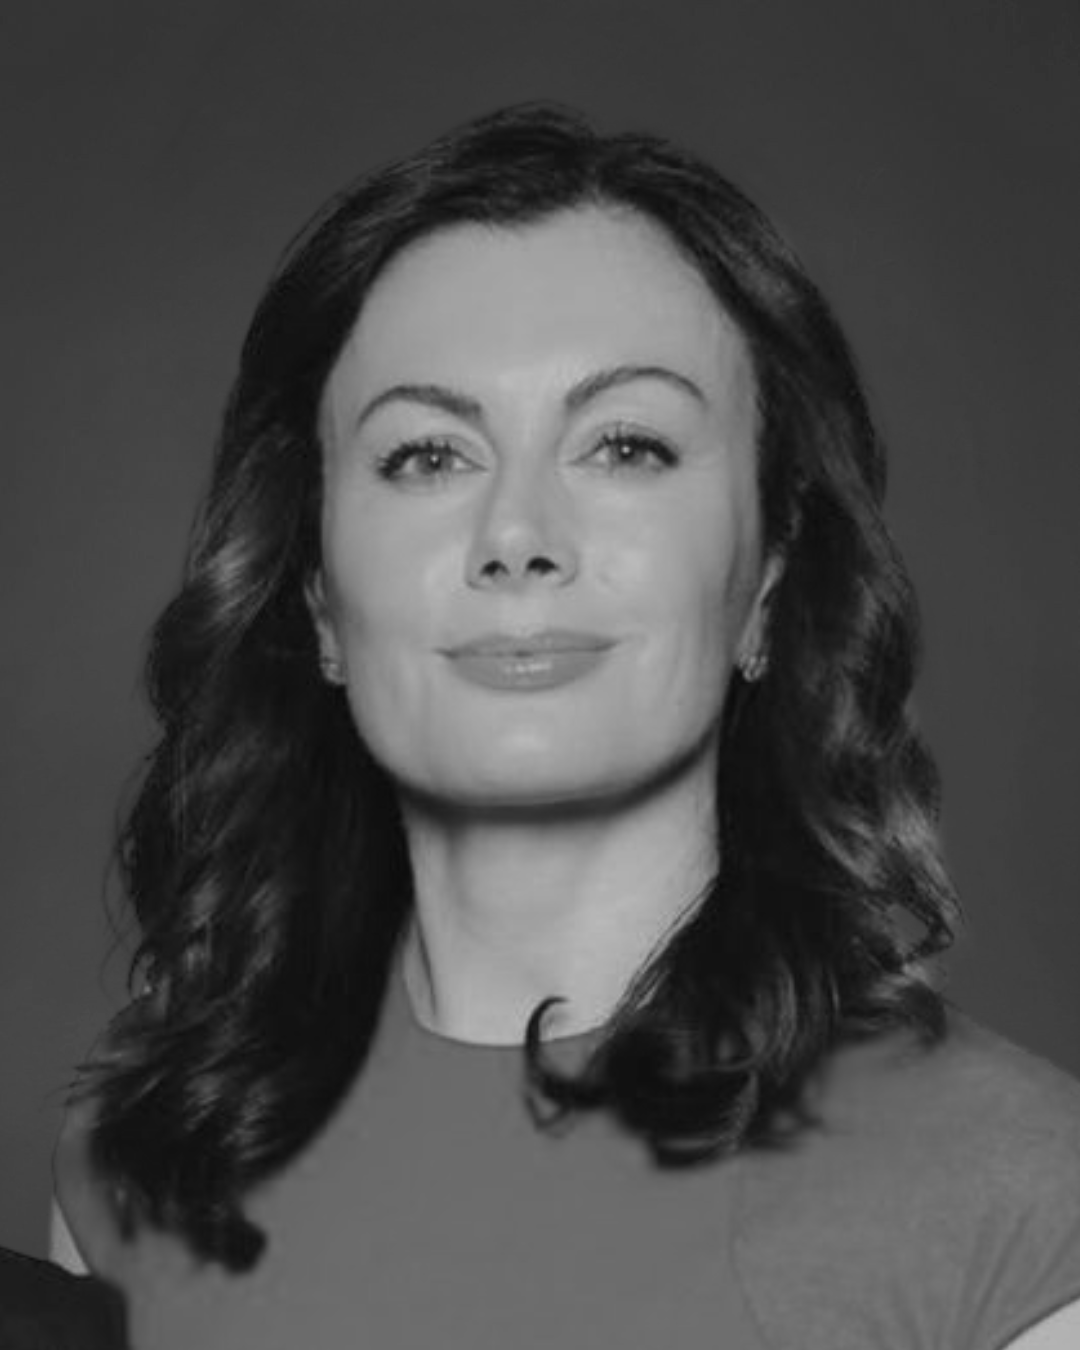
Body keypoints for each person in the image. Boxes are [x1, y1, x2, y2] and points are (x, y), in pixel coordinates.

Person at [53, 103, 1080, 1349]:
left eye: (627, 444)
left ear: (767, 577)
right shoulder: (136, 1159)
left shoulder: (1026, 1210)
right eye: (427, 456)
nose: (518, 536)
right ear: (318, 592)